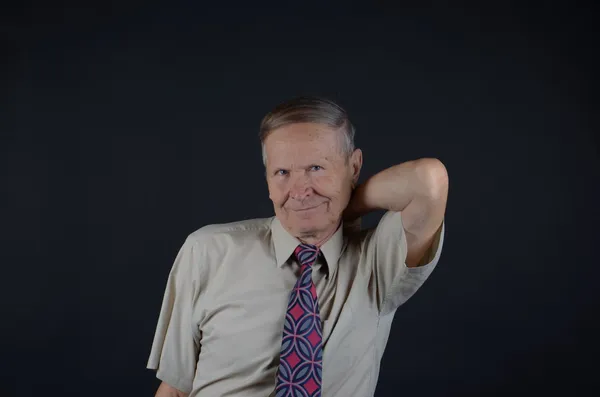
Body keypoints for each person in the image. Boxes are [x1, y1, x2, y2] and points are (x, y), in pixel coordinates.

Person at [147, 96, 448, 397]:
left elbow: (428, 181)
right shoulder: (207, 251)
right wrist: (328, 200)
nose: (300, 191)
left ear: (354, 167)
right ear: (267, 180)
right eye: (282, 173)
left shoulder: (377, 262)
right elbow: (174, 389)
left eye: (316, 168)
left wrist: (342, 207)